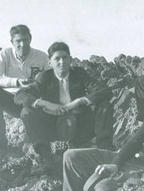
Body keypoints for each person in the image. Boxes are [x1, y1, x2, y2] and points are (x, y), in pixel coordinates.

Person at [15, 41, 114, 176]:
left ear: (70, 59)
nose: (62, 62)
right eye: (57, 58)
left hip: (80, 126)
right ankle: (47, 159)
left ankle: (105, 151)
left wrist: (79, 101)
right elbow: (20, 95)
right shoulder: (45, 77)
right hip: (52, 127)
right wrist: (45, 104)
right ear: (50, 62)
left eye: (65, 57)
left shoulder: (79, 74)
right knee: (26, 111)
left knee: (103, 104)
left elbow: (105, 90)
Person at [0, 24, 50, 151]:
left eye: (25, 40)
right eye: (18, 41)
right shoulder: (5, 54)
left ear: (30, 39)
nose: (22, 44)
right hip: (12, 101)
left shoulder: (41, 57)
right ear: (12, 42)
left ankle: (41, 148)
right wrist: (17, 82)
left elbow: (52, 80)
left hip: (31, 102)